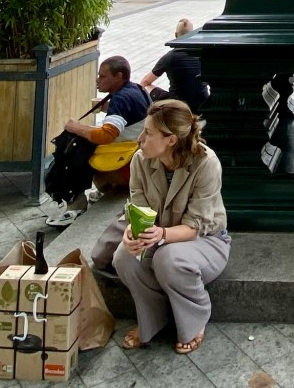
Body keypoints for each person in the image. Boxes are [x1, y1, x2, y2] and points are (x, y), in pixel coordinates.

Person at [115, 99, 231, 355]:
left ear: (171, 140)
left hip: (205, 240)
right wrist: (131, 232)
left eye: (148, 133)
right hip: (159, 235)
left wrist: (161, 235)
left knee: (168, 258)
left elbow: (194, 226)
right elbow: (138, 208)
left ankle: (195, 318)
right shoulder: (140, 160)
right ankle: (153, 319)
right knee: (124, 256)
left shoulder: (206, 163)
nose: (140, 139)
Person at [47, 56, 150, 228]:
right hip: (140, 160)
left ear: (118, 76)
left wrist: (76, 127)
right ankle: (103, 189)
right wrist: (107, 107)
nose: (97, 80)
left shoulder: (120, 99)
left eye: (102, 76)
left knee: (76, 150)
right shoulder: (137, 89)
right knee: (86, 142)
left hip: (128, 169)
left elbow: (106, 135)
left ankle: (76, 205)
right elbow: (131, 112)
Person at [139, 19, 210, 111]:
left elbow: (145, 81)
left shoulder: (170, 57)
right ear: (192, 35)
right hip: (201, 104)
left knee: (146, 86)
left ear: (176, 35)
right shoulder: (202, 55)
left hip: (178, 107)